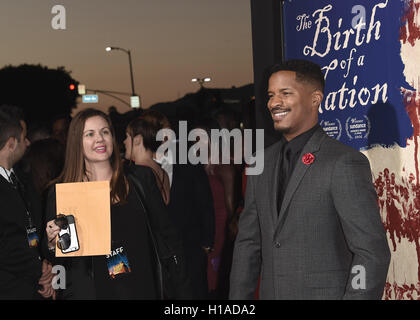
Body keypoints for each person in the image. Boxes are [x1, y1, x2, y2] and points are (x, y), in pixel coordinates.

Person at [229, 59, 391, 300]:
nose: (274, 102)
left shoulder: (343, 162)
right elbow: (248, 245)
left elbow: (371, 253)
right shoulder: (259, 164)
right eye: (271, 95)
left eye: (285, 93)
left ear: (315, 99)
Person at [45, 108, 191, 299]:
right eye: (90, 134)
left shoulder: (140, 179)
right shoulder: (63, 193)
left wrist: (184, 293)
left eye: (105, 132)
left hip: (142, 289)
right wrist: (51, 242)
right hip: (94, 293)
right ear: (76, 143)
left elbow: (169, 237)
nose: (100, 139)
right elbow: (61, 261)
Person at [139, 110, 215, 299]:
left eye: (168, 132)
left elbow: (205, 204)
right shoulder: (138, 172)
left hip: (190, 250)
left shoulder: (189, 162)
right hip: (157, 257)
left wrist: (206, 245)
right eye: (161, 133)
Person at [0, 104, 55, 299]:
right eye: (24, 138)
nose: (29, 143)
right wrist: (39, 270)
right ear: (12, 144)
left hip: (34, 285)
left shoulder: (23, 178)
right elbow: (6, 246)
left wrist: (46, 267)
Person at [124, 116, 170, 205]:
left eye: (127, 137)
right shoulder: (163, 173)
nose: (124, 141)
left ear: (137, 140)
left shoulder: (137, 173)